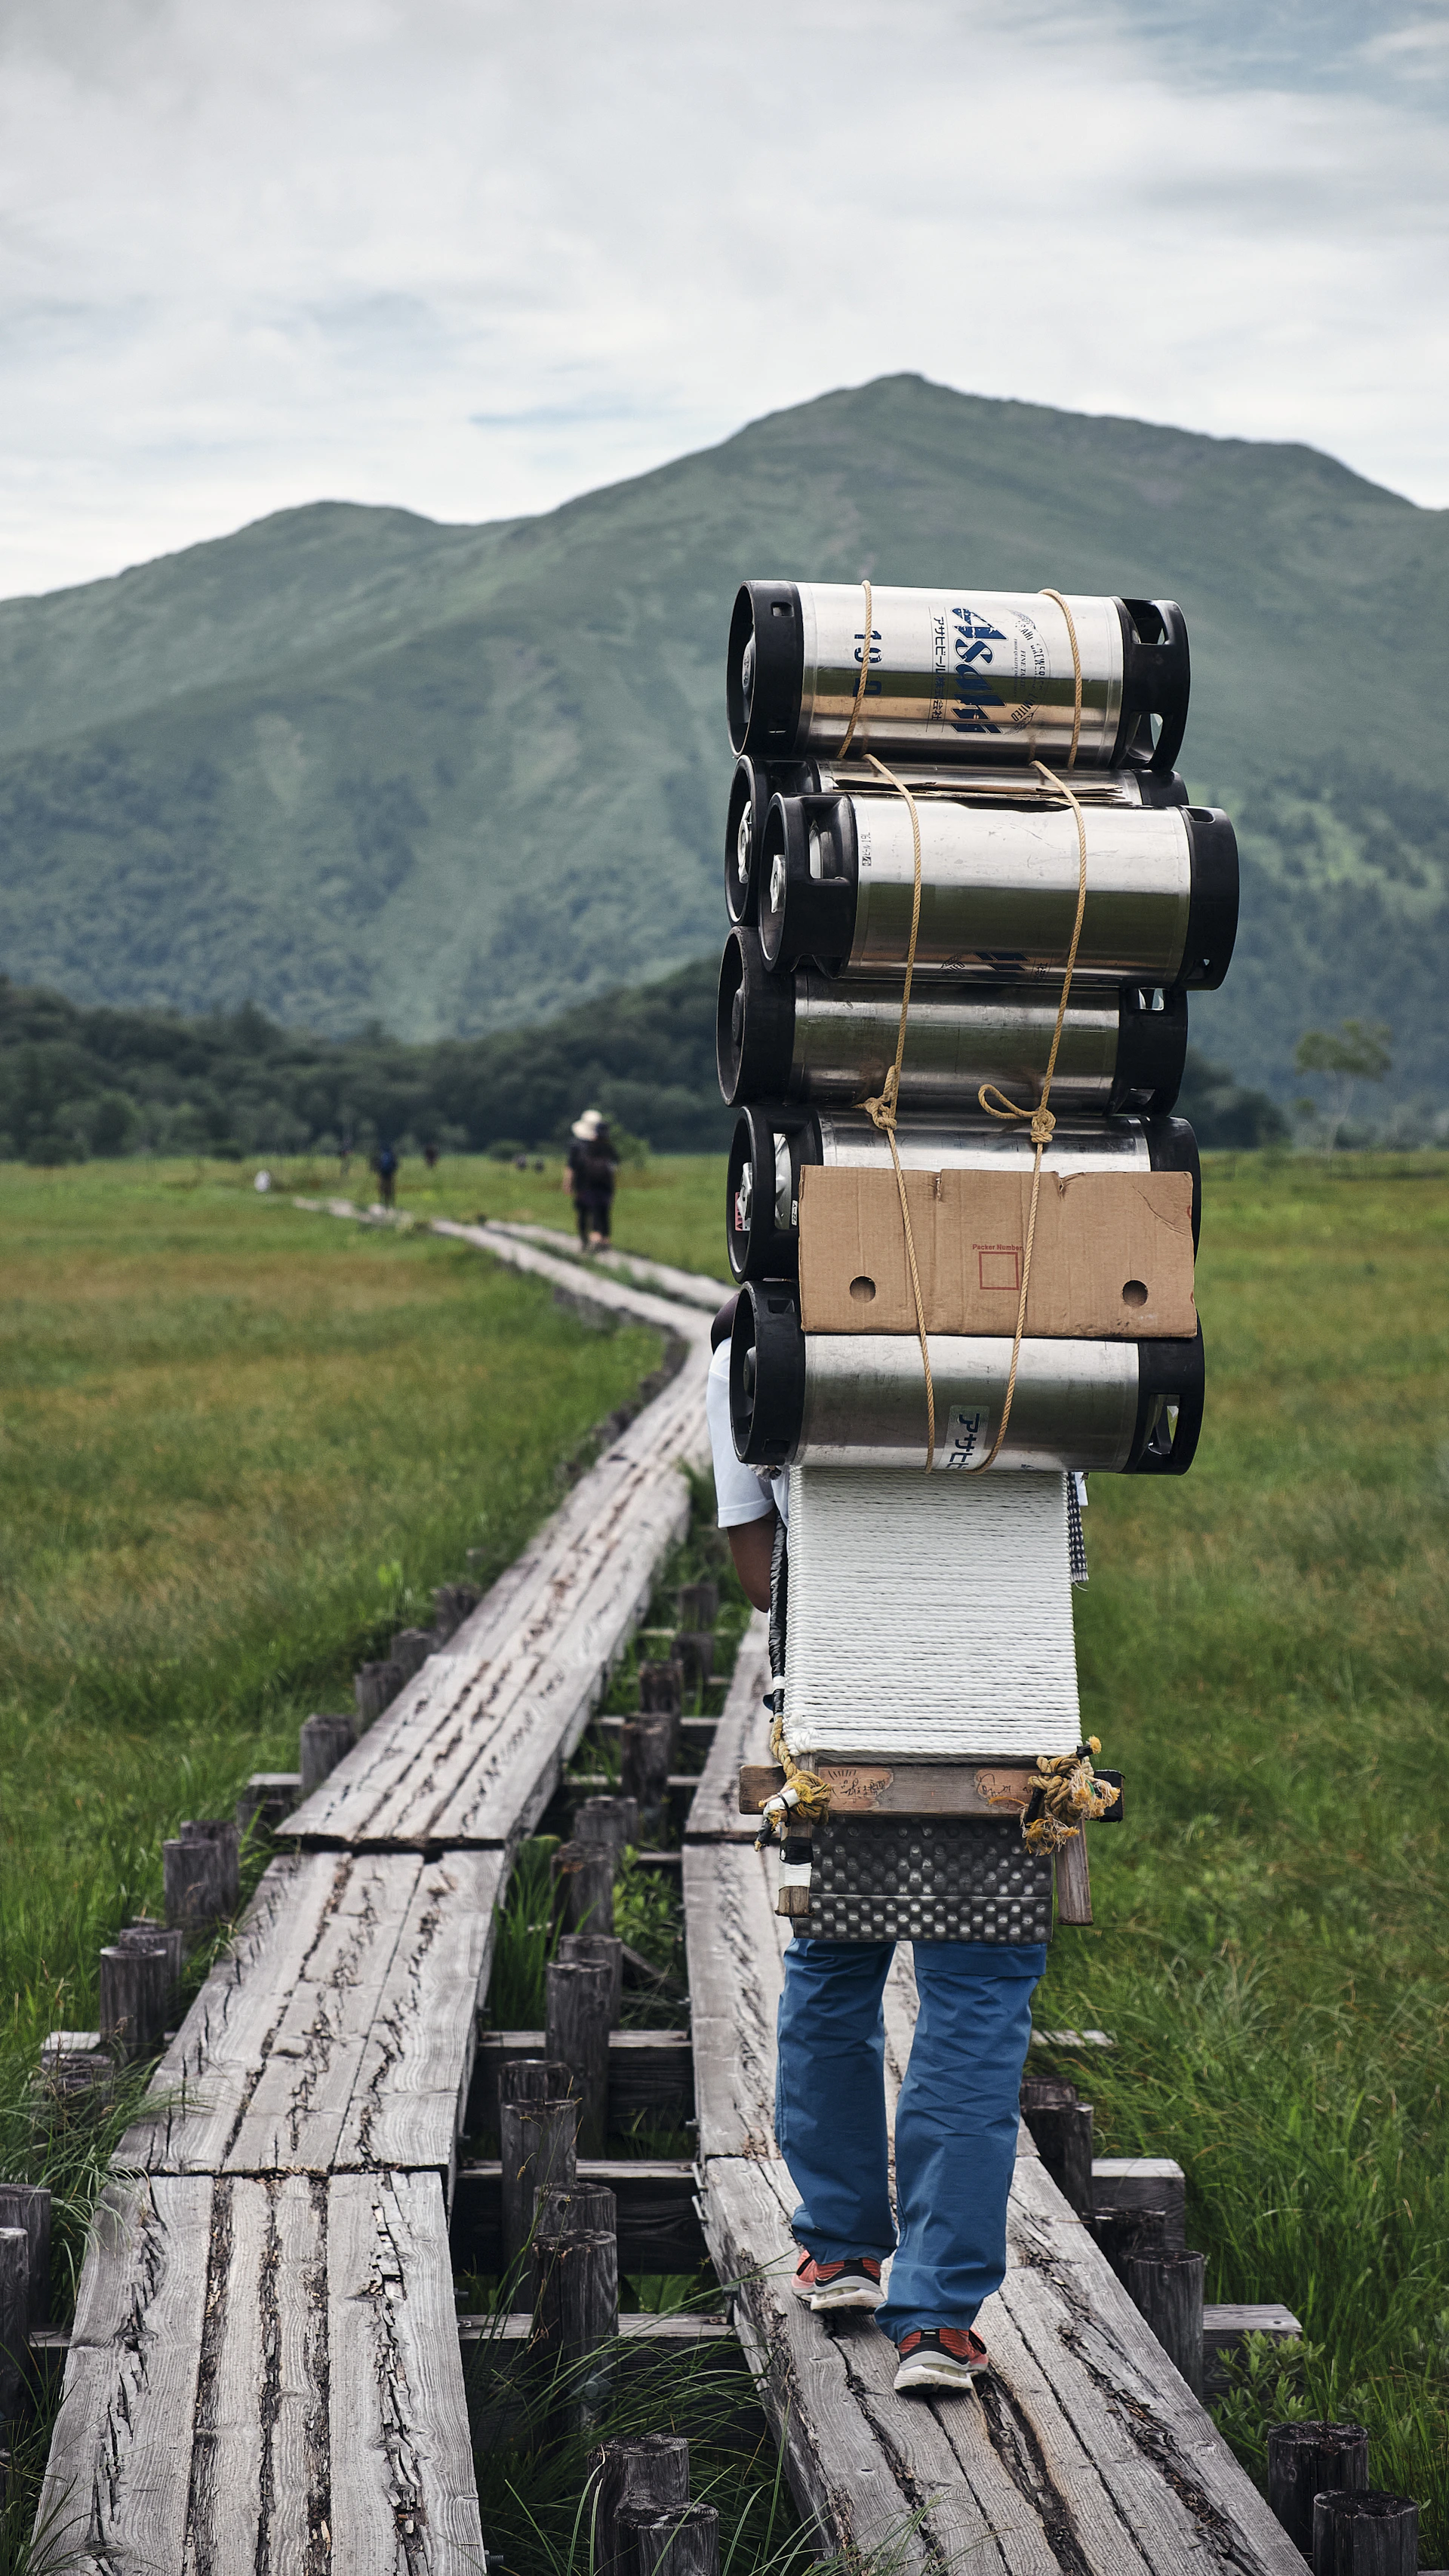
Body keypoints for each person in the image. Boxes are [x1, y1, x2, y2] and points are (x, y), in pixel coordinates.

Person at [705, 1297, 1046, 2399]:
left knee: (838, 1967)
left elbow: (764, 1578)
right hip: (1004, 1707)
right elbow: (1060, 1542)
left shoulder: (751, 1348)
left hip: (847, 1706)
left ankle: (843, 2249)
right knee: (978, 1989)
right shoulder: (1047, 1333)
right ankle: (938, 2317)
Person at [565, 1109, 618, 1250]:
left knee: (584, 1213)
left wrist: (567, 1184)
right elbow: (614, 1167)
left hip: (584, 1185)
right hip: (605, 1186)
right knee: (602, 1212)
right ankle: (603, 1239)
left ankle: (585, 1241)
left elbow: (572, 1166)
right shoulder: (608, 1146)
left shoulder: (577, 1145)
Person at [375, 1143, 398, 1208]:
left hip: (383, 1174)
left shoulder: (382, 1155)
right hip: (390, 1174)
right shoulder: (392, 1155)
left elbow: (378, 1164)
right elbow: (395, 1165)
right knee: (390, 1188)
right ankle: (391, 1203)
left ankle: (381, 1201)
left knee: (382, 1187)